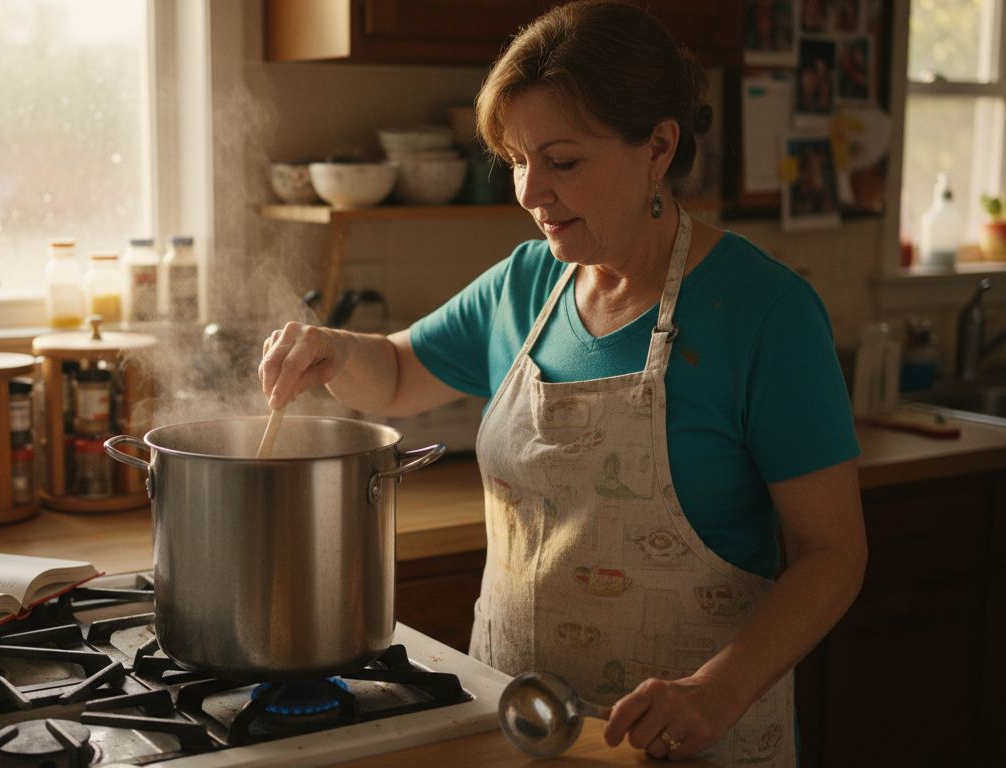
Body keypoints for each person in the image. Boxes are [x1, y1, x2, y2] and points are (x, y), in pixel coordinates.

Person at [258, 2, 866, 764]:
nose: (529, 191)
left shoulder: (765, 313)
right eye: (515, 159)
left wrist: (717, 689)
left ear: (659, 146)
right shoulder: (524, 285)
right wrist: (333, 349)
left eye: (562, 160)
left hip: (693, 739)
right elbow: (400, 373)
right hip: (516, 724)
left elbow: (832, 553)